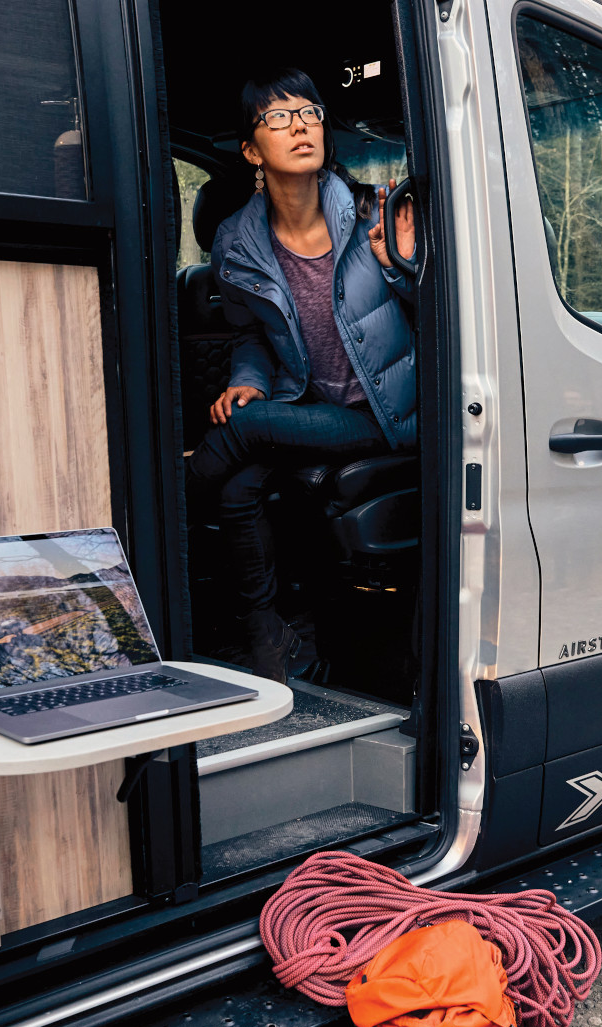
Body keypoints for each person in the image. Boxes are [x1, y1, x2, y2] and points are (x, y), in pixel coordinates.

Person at [191, 68, 417, 682]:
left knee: (246, 429)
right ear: (250, 150)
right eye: (278, 118)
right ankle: (275, 640)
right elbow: (252, 336)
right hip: (308, 403)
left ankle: (167, 505)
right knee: (238, 485)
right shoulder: (237, 241)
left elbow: (452, 318)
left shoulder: (378, 212)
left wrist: (404, 267)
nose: (300, 127)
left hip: (385, 413)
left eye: (310, 113)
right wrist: (251, 381)